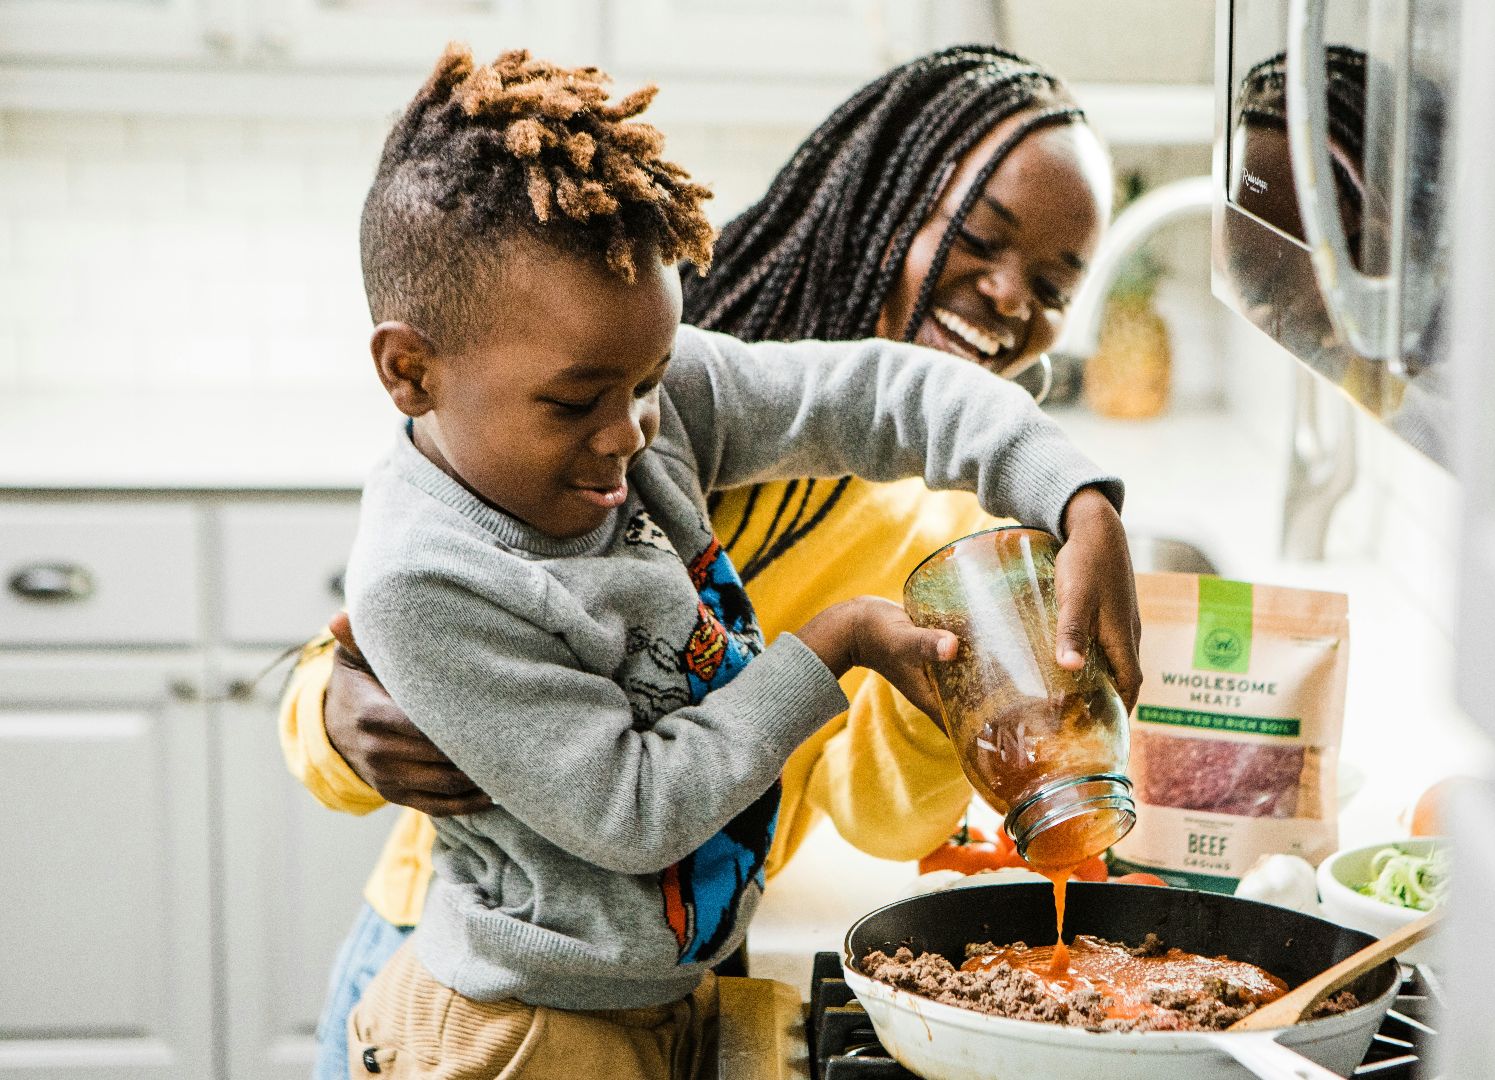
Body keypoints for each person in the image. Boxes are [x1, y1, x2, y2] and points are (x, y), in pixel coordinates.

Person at [282, 44, 1116, 1079]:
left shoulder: (647, 377)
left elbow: (878, 809)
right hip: (507, 1006)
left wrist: (1071, 498)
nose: (1007, 296)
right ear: (876, 201)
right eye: (980, 241)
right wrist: (330, 713)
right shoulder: (573, 349)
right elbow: (608, 788)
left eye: (1053, 283)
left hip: (670, 975)